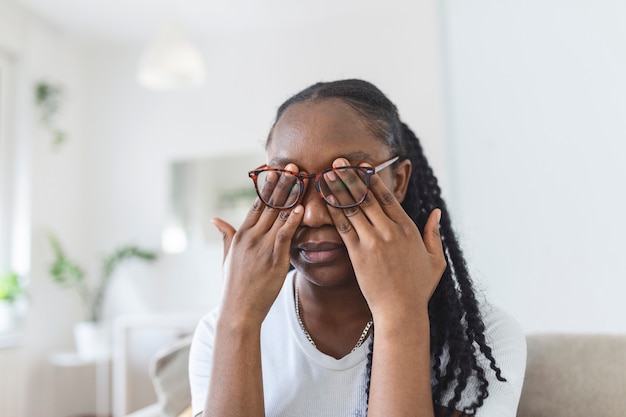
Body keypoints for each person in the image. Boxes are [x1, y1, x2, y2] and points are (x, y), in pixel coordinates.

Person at [189, 79, 526, 417]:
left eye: (346, 178)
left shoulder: (485, 337)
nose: (312, 213)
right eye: (288, 180)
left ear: (398, 180)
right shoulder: (220, 332)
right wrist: (238, 320)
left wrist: (400, 316)